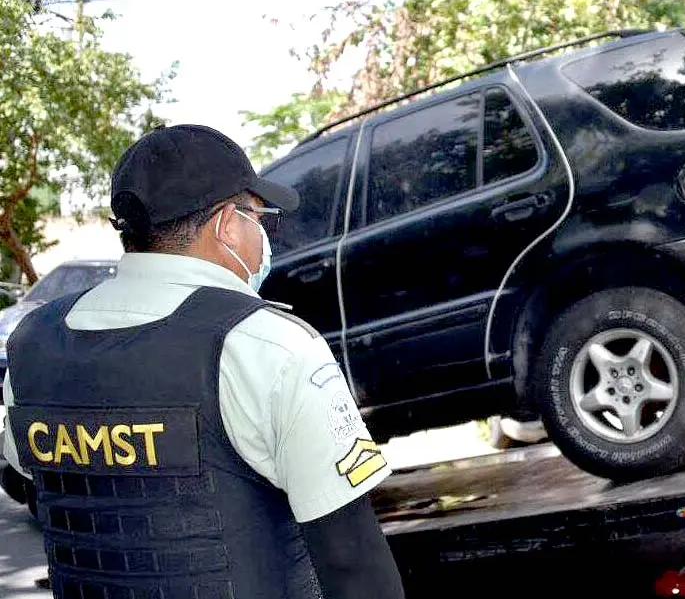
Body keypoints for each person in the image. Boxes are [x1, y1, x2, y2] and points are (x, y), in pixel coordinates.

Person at [0, 124, 405, 599]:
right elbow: (352, 563)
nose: (264, 235)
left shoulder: (35, 342)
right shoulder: (265, 345)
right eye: (260, 217)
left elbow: (25, 471)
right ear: (228, 224)